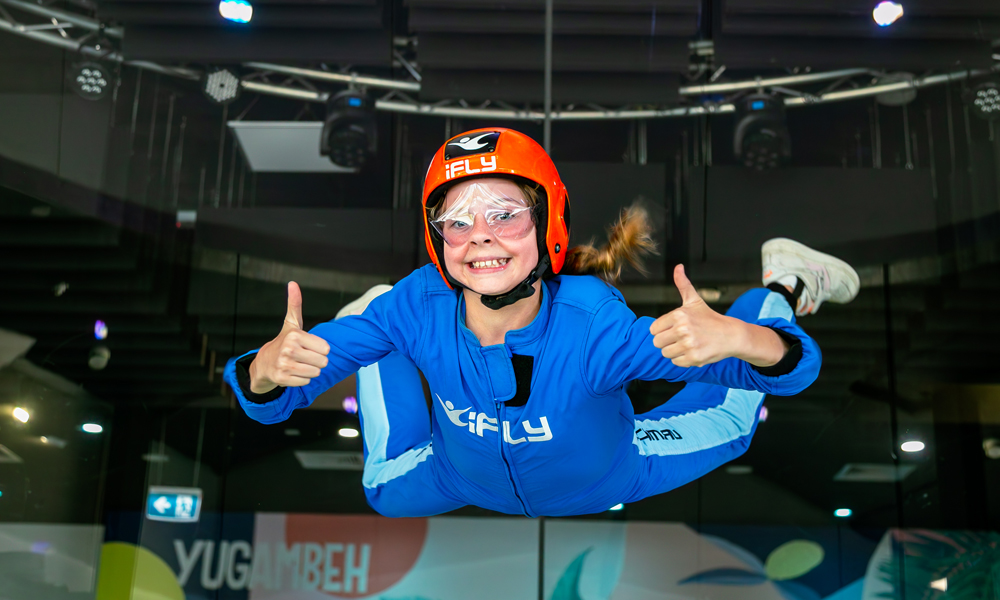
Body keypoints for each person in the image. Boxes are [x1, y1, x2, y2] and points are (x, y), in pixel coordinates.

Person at [224, 127, 859, 518]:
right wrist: (263, 372)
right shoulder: (418, 302)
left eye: (505, 213)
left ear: (548, 223)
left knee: (729, 420)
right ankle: (372, 320)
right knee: (385, 489)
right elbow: (273, 399)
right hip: (457, 471)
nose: (480, 237)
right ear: (437, 237)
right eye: (458, 220)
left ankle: (784, 283)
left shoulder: (594, 328)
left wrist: (747, 339)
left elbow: (782, 374)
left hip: (615, 469)